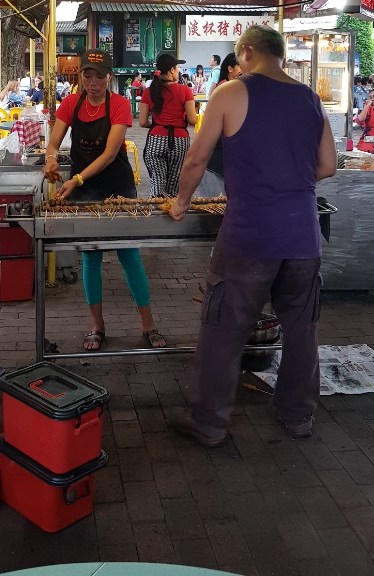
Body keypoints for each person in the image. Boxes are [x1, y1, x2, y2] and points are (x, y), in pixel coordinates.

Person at [166, 25, 336, 447]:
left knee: (223, 327)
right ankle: (297, 415)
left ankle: (208, 422)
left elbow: (195, 159)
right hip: (302, 234)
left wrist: (181, 203)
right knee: (302, 330)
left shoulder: (231, 92)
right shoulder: (310, 98)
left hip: (249, 235)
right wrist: (290, 184)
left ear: (246, 52)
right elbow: (328, 165)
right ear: (281, 54)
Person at [44, 48, 166, 352]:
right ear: (81, 76)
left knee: (129, 256)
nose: (93, 80)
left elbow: (111, 154)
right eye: (88, 74)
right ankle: (97, 326)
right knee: (91, 259)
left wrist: (76, 179)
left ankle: (148, 325)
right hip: (83, 192)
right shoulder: (71, 103)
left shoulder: (121, 105)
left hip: (117, 187)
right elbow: (54, 142)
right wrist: (49, 159)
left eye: (99, 75)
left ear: (109, 76)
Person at [139, 53, 197, 196]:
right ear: (172, 70)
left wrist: (157, 125)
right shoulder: (185, 90)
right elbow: (192, 120)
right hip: (179, 141)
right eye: (177, 68)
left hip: (156, 139)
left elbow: (142, 122)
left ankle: (155, 212)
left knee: (157, 184)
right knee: (173, 186)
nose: (178, 71)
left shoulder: (149, 91)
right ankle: (171, 213)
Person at [194, 53, 243, 198]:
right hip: (216, 161)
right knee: (214, 208)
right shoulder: (226, 90)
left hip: (223, 160)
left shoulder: (233, 88)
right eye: (240, 66)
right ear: (230, 68)